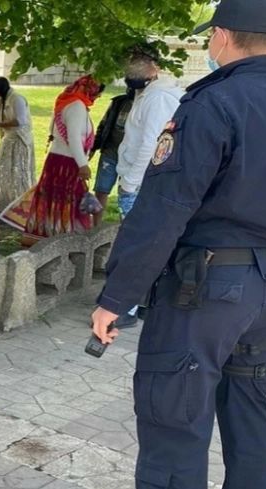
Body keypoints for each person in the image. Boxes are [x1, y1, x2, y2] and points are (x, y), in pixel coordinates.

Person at [90, 1, 266, 489]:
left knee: (174, 416)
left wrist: (116, 297)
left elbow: (163, 210)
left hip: (205, 292)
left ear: (221, 37)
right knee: (248, 409)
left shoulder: (212, 104)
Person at [110, 51, 185, 330]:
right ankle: (143, 300)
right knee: (144, 242)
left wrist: (130, 182)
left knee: (135, 245)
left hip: (141, 182)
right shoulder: (148, 95)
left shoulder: (158, 98)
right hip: (139, 178)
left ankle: (125, 307)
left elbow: (152, 144)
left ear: (150, 72)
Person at [0, 75, 104, 245]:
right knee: (67, 201)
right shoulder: (76, 106)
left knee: (57, 199)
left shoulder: (68, 103)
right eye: (97, 92)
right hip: (67, 162)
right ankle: (62, 240)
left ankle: (50, 238)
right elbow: (74, 138)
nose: (98, 97)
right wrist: (83, 164)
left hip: (59, 160)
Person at [0, 76, 35, 213]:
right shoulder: (0, 101)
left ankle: (19, 204)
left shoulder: (17, 99)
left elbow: (20, 121)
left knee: (17, 171)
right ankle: (2, 203)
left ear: (0, 88)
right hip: (7, 138)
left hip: (19, 139)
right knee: (2, 170)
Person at [89, 87, 135, 225]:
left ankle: (125, 225)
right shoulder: (118, 102)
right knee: (101, 189)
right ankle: (96, 226)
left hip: (130, 157)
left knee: (127, 191)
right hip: (110, 151)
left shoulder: (147, 104)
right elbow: (104, 125)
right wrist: (94, 147)